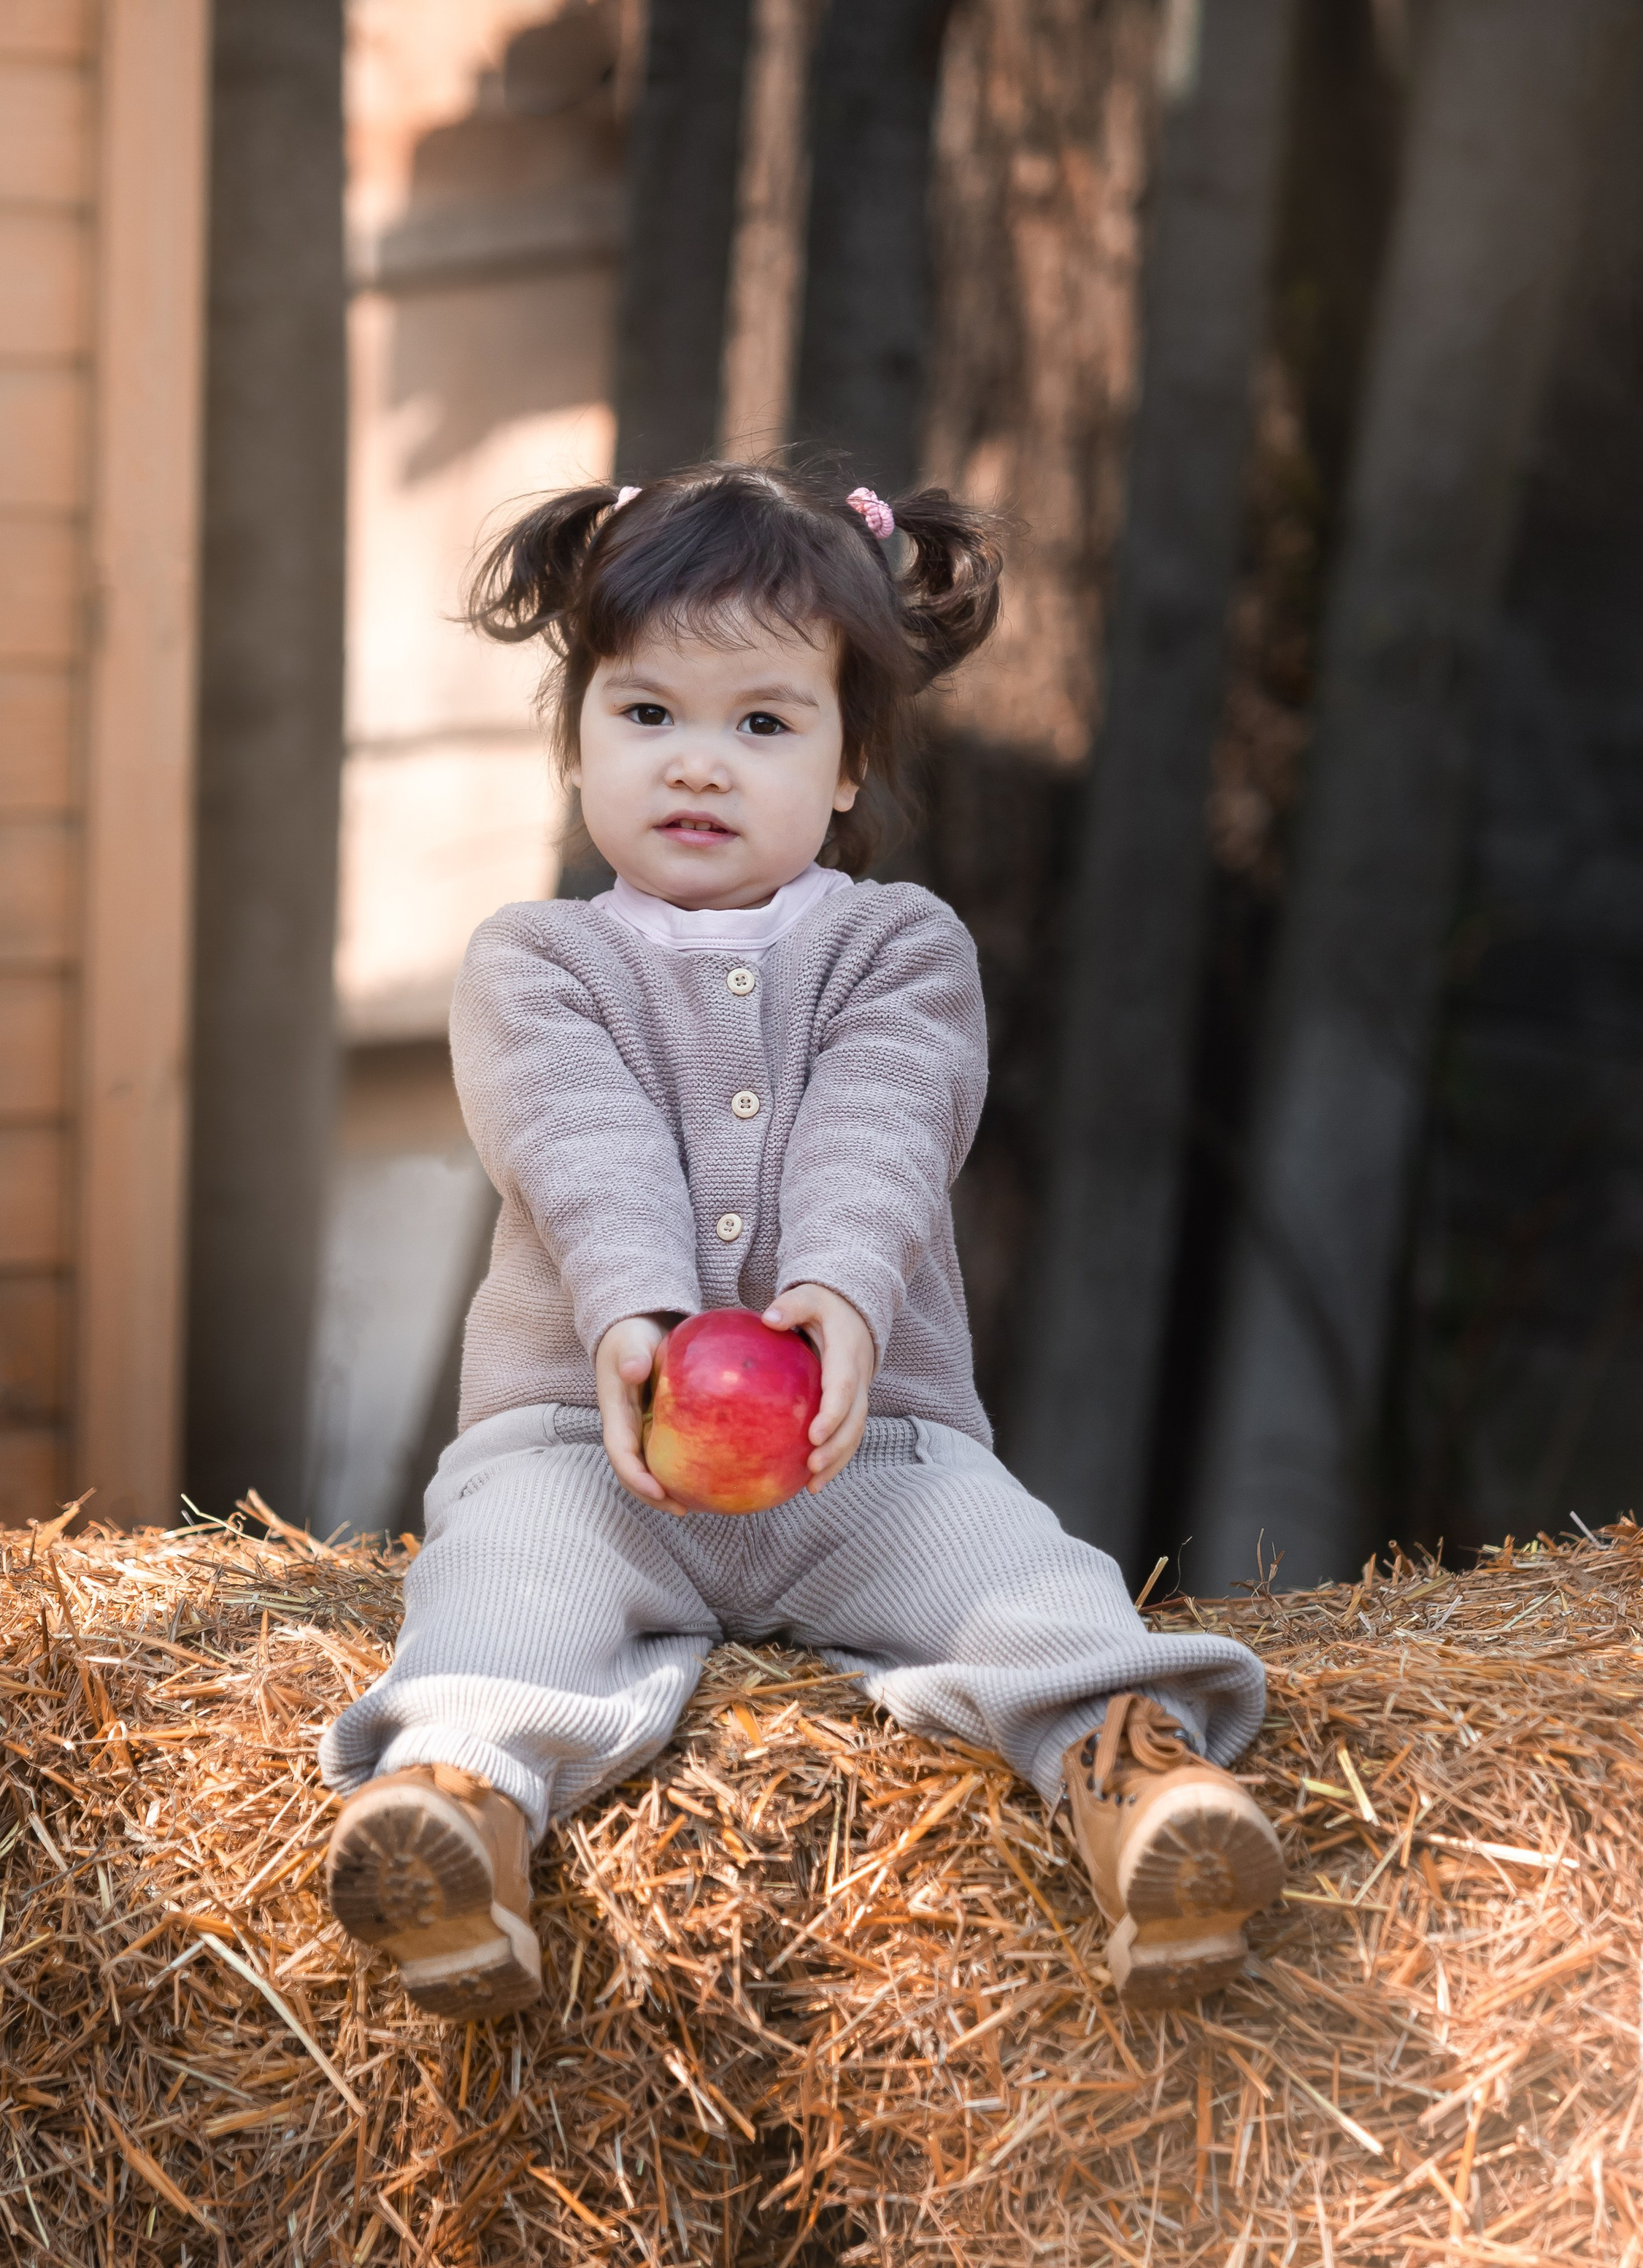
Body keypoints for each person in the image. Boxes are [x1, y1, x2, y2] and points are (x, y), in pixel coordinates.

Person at [318, 464, 1280, 2021]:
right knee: (502, 1593)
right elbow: (576, 1136)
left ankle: (1142, 1797)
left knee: (1018, 1579)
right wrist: (632, 1310)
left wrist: (834, 1288)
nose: (698, 766)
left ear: (844, 768)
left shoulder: (895, 945)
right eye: (647, 716)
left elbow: (885, 1119)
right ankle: (453, 1820)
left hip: (865, 1453)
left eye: (760, 724)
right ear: (576, 745)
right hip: (584, 1444)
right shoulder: (531, 961)